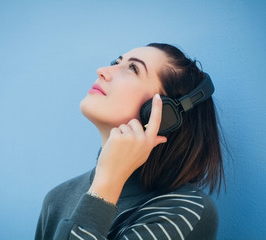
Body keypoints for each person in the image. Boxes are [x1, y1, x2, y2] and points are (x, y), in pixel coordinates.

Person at [35, 43, 224, 240]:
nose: (102, 71)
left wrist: (105, 189)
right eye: (115, 62)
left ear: (166, 114)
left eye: (133, 68)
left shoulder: (182, 210)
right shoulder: (57, 199)